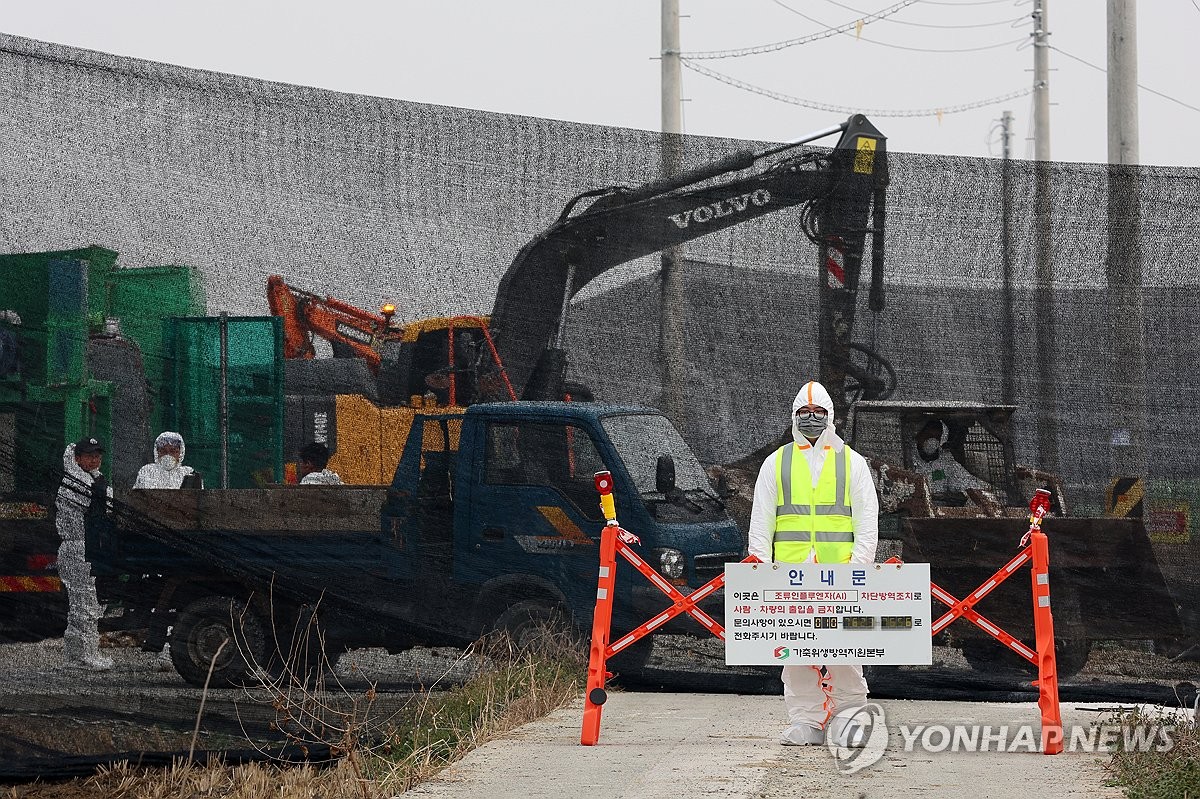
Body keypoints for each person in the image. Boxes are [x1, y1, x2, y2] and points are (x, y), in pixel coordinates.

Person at [748, 381, 879, 747]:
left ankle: (849, 717)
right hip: (790, 576)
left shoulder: (852, 463)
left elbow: (867, 520)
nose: (811, 420)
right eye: (804, 414)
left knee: (844, 651)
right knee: (795, 651)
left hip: (841, 575)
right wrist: (759, 565)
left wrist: (861, 565)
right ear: (793, 417)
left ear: (831, 417)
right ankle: (806, 719)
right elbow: (762, 521)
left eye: (818, 414)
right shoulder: (776, 463)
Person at [56, 437, 114, 671]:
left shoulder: (90, 479)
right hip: (77, 549)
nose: (95, 459)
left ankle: (77, 655)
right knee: (85, 606)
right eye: (89, 456)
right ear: (77, 459)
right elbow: (97, 508)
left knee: (82, 605)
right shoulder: (74, 482)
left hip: (84, 548)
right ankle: (85, 656)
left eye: (98, 455)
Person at [911, 419, 987, 503]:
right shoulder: (908, 458)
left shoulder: (945, 460)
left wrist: (976, 493)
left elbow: (967, 482)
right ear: (919, 436)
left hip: (941, 512)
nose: (932, 441)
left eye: (937, 437)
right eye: (928, 435)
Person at [133, 431, 198, 489]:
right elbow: (137, 498)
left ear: (180, 453)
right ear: (157, 452)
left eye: (173, 451)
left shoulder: (188, 473)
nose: (168, 455)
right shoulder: (147, 471)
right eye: (163, 451)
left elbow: (197, 498)